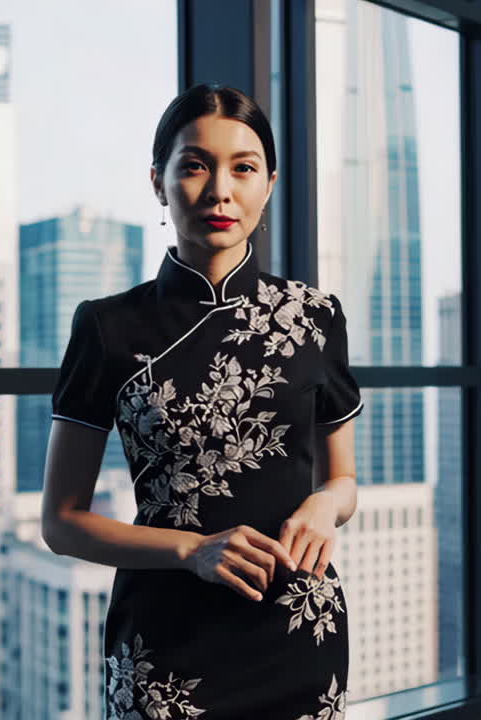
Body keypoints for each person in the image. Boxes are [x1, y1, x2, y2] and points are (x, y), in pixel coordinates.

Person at [40, 82, 363, 719]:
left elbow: (344, 479)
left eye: (243, 168)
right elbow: (61, 521)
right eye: (195, 165)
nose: (220, 189)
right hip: (167, 640)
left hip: (298, 627)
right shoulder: (108, 327)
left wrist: (327, 506)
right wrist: (192, 550)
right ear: (158, 182)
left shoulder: (315, 317)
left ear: (268, 183)